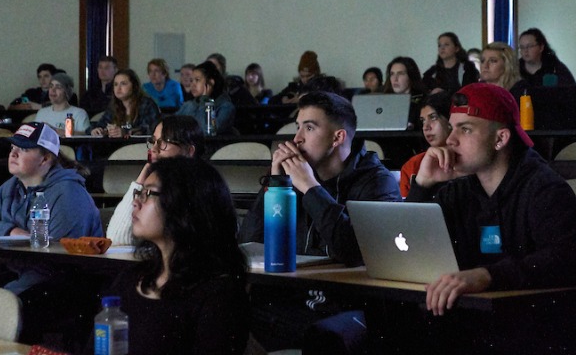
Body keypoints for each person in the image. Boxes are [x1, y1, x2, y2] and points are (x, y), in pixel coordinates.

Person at [404, 83, 576, 352]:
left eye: (465, 129)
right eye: (452, 127)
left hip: (536, 331)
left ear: (500, 139)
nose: (450, 140)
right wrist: (423, 186)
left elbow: (564, 260)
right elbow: (411, 249)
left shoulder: (546, 189)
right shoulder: (457, 190)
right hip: (476, 324)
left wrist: (486, 275)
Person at [239, 91, 399, 351]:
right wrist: (276, 184)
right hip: (291, 299)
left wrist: (310, 187)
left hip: (343, 307)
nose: (297, 138)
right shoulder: (293, 177)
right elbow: (250, 241)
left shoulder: (376, 182)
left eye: (310, 128)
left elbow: (351, 250)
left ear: (338, 137)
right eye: (298, 127)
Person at [105, 157, 249, 354]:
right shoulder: (129, 278)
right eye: (139, 193)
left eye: (148, 194)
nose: (135, 203)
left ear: (183, 205)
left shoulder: (218, 295)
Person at [0, 122, 101, 294]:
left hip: (61, 290)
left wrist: (5, 296)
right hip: (22, 276)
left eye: (24, 149)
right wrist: (9, 230)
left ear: (45, 158)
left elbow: (57, 264)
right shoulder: (12, 186)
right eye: (13, 147)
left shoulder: (68, 193)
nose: (13, 153)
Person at [105, 115, 203, 246]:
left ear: (189, 151)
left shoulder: (200, 191)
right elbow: (116, 238)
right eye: (153, 141)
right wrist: (142, 178)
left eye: (164, 142)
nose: (153, 149)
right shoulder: (157, 183)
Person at [398, 92, 451, 197]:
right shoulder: (412, 165)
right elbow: (406, 212)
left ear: (451, 120)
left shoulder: (471, 160)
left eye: (433, 117)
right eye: (423, 121)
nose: (426, 127)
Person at [91, 69, 161, 137]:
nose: (118, 88)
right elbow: (98, 125)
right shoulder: (114, 106)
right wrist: (97, 130)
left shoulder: (147, 104)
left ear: (134, 86)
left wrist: (125, 132)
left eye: (123, 84)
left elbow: (151, 129)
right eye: (115, 84)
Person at [176, 61, 236, 135]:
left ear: (210, 82)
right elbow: (172, 126)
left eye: (197, 80)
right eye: (191, 81)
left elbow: (207, 132)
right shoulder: (189, 105)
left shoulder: (226, 107)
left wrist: (204, 102)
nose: (193, 85)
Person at [381, 56, 427, 130]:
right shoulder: (384, 101)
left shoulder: (423, 101)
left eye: (400, 73)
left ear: (410, 76)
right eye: (392, 74)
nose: (395, 79)